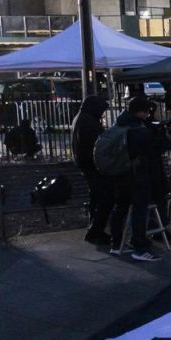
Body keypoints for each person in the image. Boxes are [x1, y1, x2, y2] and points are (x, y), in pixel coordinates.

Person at [106, 95, 167, 262]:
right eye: (147, 111)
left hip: (121, 173)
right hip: (138, 175)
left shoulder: (120, 124)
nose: (149, 115)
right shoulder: (139, 130)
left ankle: (116, 242)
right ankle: (139, 246)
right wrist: (160, 136)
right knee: (140, 210)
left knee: (120, 207)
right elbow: (153, 152)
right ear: (141, 112)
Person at [72, 95, 113, 246]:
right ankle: (95, 230)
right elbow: (99, 144)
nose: (102, 114)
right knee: (105, 198)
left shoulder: (82, 118)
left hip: (87, 165)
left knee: (97, 198)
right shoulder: (89, 122)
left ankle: (95, 228)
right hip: (94, 166)